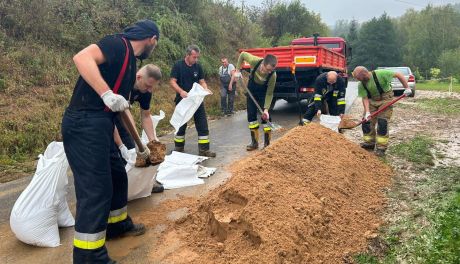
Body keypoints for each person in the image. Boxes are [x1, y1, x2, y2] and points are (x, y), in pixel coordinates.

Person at [61, 19, 159, 263]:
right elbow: (81, 58)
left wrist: (138, 146)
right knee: (96, 190)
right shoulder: (118, 44)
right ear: (152, 40)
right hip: (84, 122)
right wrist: (105, 93)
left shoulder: (131, 63)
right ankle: (89, 257)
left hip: (100, 124)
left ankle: (117, 225)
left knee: (117, 174)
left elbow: (121, 109)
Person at [113, 64, 165, 193]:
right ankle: (118, 190)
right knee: (122, 155)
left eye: (152, 86)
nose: (149, 89)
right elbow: (119, 115)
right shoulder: (123, 84)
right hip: (107, 117)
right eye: (148, 85)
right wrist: (128, 144)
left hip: (123, 117)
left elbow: (146, 116)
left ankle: (145, 183)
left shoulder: (146, 90)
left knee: (135, 153)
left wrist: (153, 141)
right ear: (138, 77)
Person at [353, 66, 411, 157]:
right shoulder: (361, 84)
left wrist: (406, 87)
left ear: (365, 74)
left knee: (382, 122)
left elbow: (399, 75)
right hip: (372, 101)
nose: (359, 80)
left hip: (385, 99)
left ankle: (381, 148)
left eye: (359, 78)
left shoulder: (380, 74)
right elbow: (365, 98)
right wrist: (367, 112)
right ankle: (369, 143)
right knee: (366, 121)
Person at [170, 45, 216, 157]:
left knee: (202, 124)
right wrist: (181, 92)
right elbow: (172, 81)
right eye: (194, 57)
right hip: (183, 100)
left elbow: (202, 81)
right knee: (181, 124)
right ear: (188, 55)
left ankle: (204, 150)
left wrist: (205, 88)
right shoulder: (178, 66)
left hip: (196, 101)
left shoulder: (198, 67)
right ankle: (179, 148)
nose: (196, 59)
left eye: (197, 57)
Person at [233, 51, 277, 151]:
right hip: (251, 91)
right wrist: (238, 70)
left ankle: (267, 144)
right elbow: (243, 54)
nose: (270, 72)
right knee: (251, 118)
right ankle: (254, 143)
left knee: (266, 119)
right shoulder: (255, 61)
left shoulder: (273, 75)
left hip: (263, 94)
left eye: (272, 70)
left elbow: (270, 93)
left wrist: (266, 109)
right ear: (263, 64)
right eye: (268, 69)